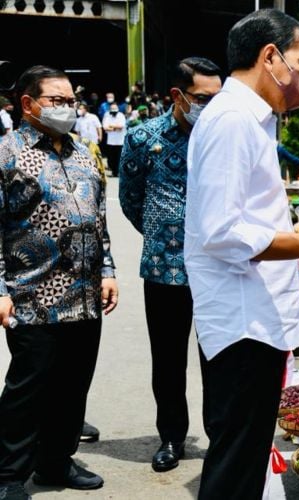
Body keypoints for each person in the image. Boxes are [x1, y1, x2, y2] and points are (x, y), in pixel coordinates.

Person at [184, 10, 299, 499]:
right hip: (244, 322)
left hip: (255, 316)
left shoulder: (253, 120)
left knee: (244, 457)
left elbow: (245, 216)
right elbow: (221, 231)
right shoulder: (231, 120)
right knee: (235, 463)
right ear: (271, 57)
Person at [0, 65, 118, 500]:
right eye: (58, 100)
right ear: (28, 104)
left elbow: (98, 220)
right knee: (28, 389)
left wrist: (107, 272)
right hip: (33, 296)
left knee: (73, 384)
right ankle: (8, 474)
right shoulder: (6, 154)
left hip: (84, 296)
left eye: (72, 100)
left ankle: (55, 462)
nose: (68, 107)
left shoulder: (84, 153)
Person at [119, 57, 223, 473]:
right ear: (177, 96)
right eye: (202, 99)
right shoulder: (144, 137)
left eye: (218, 99)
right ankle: (171, 437)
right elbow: (130, 199)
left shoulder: (222, 136)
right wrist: (163, 234)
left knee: (219, 355)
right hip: (165, 269)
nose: (211, 108)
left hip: (218, 267)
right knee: (167, 359)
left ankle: (221, 436)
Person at [102, 103, 126, 177]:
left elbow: (121, 126)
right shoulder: (107, 116)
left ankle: (116, 172)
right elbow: (105, 127)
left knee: (118, 158)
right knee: (110, 158)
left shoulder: (121, 115)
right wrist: (115, 128)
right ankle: (113, 170)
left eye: (115, 108)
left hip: (120, 141)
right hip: (111, 141)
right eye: (112, 108)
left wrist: (111, 126)